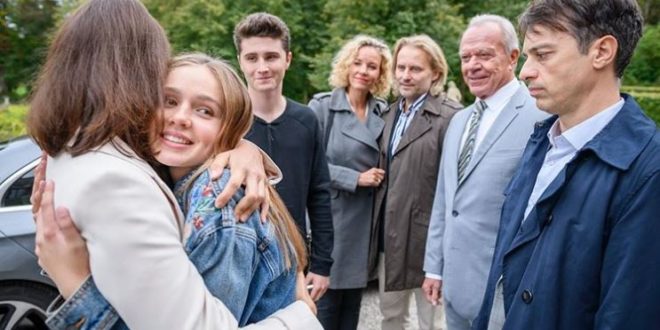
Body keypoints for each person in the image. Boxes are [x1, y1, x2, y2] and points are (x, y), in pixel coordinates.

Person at [27, 1, 321, 329]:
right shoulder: (169, 174)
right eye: (169, 101)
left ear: (230, 130)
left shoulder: (218, 202)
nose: (180, 118)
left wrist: (75, 282)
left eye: (205, 110)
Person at [472, 0, 660, 329]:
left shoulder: (647, 171)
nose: (524, 71)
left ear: (602, 52)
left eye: (542, 54)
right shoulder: (541, 143)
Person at [421, 15, 548, 330]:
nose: (472, 65)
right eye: (466, 57)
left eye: (484, 55)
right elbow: (445, 200)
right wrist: (434, 268)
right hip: (453, 288)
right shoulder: (459, 120)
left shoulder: (542, 115)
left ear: (512, 58)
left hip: (505, 296)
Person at [234, 12, 334, 301]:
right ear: (240, 61)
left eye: (271, 56)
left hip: (294, 258)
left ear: (287, 59)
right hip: (241, 259)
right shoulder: (228, 123)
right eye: (252, 58)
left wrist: (323, 264)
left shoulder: (307, 120)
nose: (262, 67)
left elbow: (320, 194)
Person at [368, 34, 462, 330]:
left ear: (435, 72)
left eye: (415, 69)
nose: (405, 76)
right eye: (401, 67)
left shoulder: (451, 118)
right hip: (391, 236)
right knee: (391, 317)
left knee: (431, 322)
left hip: (428, 242)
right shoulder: (388, 114)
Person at [307, 35, 391, 330]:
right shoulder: (322, 107)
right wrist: (355, 178)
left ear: (380, 74)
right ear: (346, 65)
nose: (363, 71)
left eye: (372, 66)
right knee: (324, 311)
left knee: (351, 314)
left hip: (366, 224)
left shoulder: (383, 111)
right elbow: (309, 167)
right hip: (332, 220)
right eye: (358, 63)